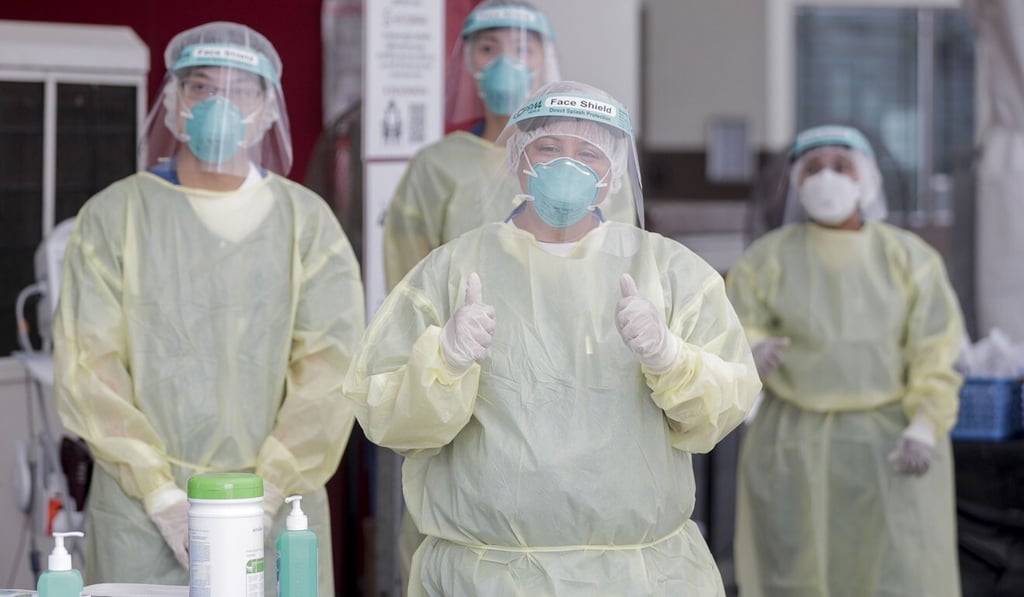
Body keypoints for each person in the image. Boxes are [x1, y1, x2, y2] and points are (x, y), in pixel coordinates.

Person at [344, 80, 762, 596]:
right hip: (487, 576)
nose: (569, 165)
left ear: (612, 174)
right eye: (548, 148)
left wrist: (669, 356)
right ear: (518, 158)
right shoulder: (454, 270)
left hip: (638, 576)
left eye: (589, 153)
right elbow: (387, 417)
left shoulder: (669, 272)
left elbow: (719, 412)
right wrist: (444, 360)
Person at [52, 22, 365, 596]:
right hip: (140, 515)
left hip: (277, 518)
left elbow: (330, 372)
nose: (220, 103)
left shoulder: (306, 222)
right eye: (201, 87)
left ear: (268, 109)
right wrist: (162, 495)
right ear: (172, 102)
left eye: (241, 89)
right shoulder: (115, 217)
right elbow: (89, 365)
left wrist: (265, 491)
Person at [726, 124, 964, 596]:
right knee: (794, 573)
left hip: (891, 443)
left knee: (898, 570)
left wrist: (924, 422)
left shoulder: (908, 258)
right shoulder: (767, 259)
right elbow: (731, 323)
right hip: (791, 446)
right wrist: (747, 352)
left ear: (868, 179)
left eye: (841, 167)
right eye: (812, 169)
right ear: (795, 183)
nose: (826, 178)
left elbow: (937, 347)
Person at [382, 0, 636, 290]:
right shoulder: (437, 165)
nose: (506, 63)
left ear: (545, 59)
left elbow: (615, 264)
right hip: (466, 332)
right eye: (488, 49)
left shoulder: (593, 161)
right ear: (468, 60)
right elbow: (410, 281)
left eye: (523, 49)